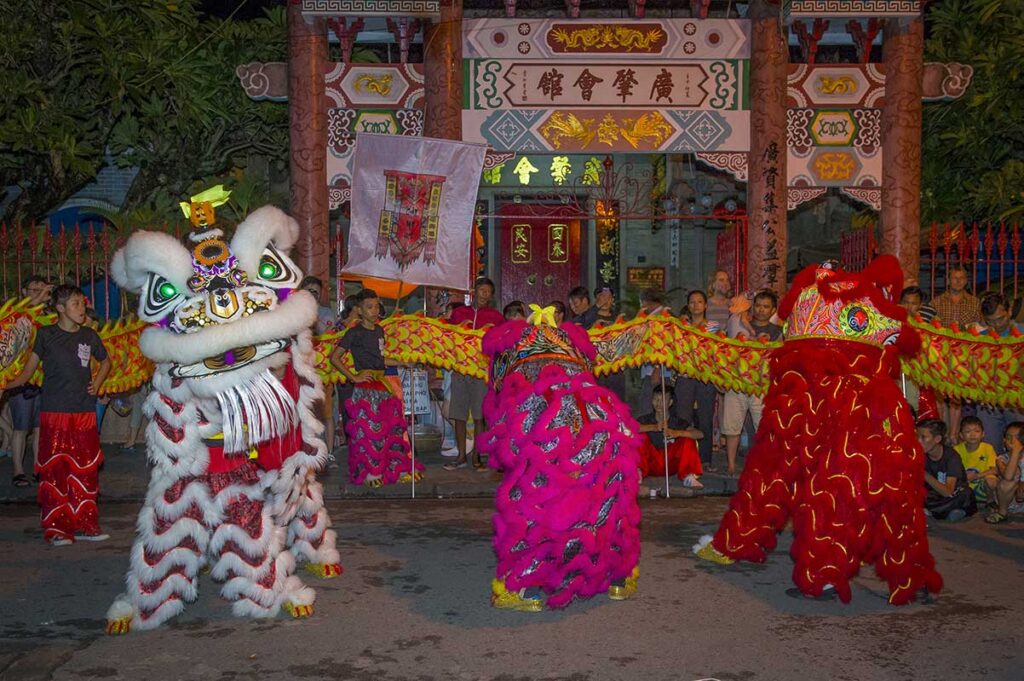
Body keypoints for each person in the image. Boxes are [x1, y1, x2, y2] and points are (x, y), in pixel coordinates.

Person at [479, 307, 642, 610]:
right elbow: (602, 356)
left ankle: (523, 588)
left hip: (543, 413)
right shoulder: (571, 341)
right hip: (599, 413)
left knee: (531, 497)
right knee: (608, 493)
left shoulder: (511, 343)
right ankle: (618, 577)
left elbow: (498, 388)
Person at [1, 285, 111, 544]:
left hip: (83, 411)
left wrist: (97, 382)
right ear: (60, 308)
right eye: (74, 304)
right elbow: (28, 372)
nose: (81, 308)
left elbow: (105, 361)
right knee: (56, 471)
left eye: (82, 304)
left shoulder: (89, 336)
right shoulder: (46, 335)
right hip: (55, 412)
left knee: (85, 470)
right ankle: (58, 529)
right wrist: (7, 384)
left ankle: (85, 524)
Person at [330, 289, 423, 486]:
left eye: (376, 306)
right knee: (368, 432)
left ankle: (393, 469)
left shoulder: (379, 330)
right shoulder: (354, 332)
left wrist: (402, 363)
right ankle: (370, 473)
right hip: (364, 388)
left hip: (382, 385)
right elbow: (334, 358)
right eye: (368, 307)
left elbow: (380, 359)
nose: (374, 311)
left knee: (389, 430)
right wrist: (354, 377)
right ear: (360, 311)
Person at [446, 277, 504, 471]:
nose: (484, 294)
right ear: (474, 291)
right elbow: (449, 338)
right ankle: (461, 456)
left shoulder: (496, 317)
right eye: (481, 290)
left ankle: (477, 457)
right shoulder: (460, 313)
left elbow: (500, 344)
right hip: (460, 371)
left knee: (479, 416)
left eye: (488, 291)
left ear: (491, 295)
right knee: (459, 415)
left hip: (481, 372)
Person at [721, 291, 782, 476]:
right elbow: (727, 353)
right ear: (752, 306)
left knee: (763, 428)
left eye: (766, 306)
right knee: (732, 427)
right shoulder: (739, 326)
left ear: (773, 310)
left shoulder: (778, 332)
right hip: (737, 383)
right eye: (758, 305)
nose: (761, 309)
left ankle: (765, 466)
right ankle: (731, 465)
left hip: (761, 388)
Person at [6, 275, 51, 488]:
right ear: (23, 292)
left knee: (40, 428)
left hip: (44, 380)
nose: (39, 294)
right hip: (21, 380)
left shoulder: (49, 316)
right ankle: (18, 470)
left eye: (42, 290)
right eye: (34, 290)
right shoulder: (18, 314)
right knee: (21, 428)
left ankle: (37, 467)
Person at [972, 293, 1024, 454]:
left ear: (1008, 311)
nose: (997, 325)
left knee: (1020, 448)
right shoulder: (981, 339)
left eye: (1000, 318)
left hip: (1018, 402)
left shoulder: (1021, 334)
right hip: (989, 403)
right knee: (991, 449)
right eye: (990, 321)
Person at [675, 290, 719, 470]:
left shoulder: (713, 326)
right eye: (692, 302)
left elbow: (716, 351)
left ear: (706, 305)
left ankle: (705, 460)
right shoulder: (682, 327)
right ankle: (681, 457)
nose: (696, 305)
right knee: (682, 418)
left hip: (705, 378)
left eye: (699, 302)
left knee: (705, 418)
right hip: (685, 377)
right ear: (688, 305)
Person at [637, 385, 703, 489]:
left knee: (688, 439)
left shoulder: (677, 422)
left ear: (670, 402)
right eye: (656, 399)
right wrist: (653, 427)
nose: (658, 404)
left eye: (662, 400)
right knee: (639, 436)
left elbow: (699, 434)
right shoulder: (645, 419)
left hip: (670, 463)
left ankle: (688, 476)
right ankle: (638, 473)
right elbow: (628, 428)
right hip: (650, 464)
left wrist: (676, 433)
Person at [917, 419, 976, 521]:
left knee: (965, 495)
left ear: (937, 439)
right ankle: (945, 512)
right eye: (917, 436)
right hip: (934, 495)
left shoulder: (952, 457)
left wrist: (923, 474)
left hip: (954, 494)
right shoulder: (919, 455)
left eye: (923, 437)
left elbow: (948, 492)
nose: (918, 441)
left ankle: (935, 511)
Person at [954, 416, 998, 506]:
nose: (973, 434)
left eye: (977, 431)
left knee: (991, 480)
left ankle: (990, 501)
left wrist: (976, 476)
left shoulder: (987, 448)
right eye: (968, 431)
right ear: (961, 435)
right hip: (964, 486)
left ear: (983, 434)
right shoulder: (956, 450)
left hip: (981, 484)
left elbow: (995, 469)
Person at [985, 422, 1024, 524]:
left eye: (1017, 437)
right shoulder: (1001, 459)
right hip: (1009, 501)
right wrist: (1015, 452)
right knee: (1007, 482)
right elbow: (1008, 476)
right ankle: (1002, 513)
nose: (1013, 441)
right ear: (1004, 440)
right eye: (1009, 437)